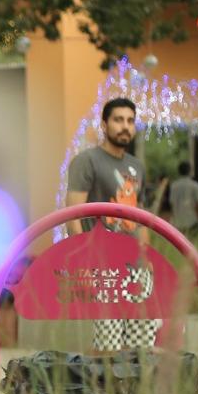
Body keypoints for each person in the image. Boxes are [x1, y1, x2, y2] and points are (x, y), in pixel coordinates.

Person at [64, 97, 157, 352]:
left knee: (142, 346)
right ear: (104, 125)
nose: (125, 126)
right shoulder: (87, 161)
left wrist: (147, 256)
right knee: (108, 346)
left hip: (136, 265)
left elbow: (140, 217)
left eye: (130, 121)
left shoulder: (136, 166)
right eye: (118, 120)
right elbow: (72, 214)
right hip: (102, 264)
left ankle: (134, 381)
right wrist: (82, 261)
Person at [168, 162, 198, 232]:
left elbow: (172, 204)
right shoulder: (195, 185)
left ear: (179, 171)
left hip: (177, 223)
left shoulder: (174, 186)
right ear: (190, 171)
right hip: (192, 222)